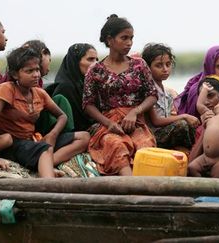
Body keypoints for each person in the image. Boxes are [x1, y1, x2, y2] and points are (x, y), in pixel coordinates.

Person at [0, 47, 90, 178]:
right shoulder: (7, 89)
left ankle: (46, 164)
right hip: (12, 145)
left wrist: (53, 134)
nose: (36, 75)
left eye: (37, 70)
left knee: (84, 137)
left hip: (30, 142)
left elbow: (62, 116)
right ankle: (49, 187)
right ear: (15, 74)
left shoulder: (39, 93)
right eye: (29, 71)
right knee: (44, 149)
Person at [82, 14, 157, 176]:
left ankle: (147, 190)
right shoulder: (95, 70)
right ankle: (132, 191)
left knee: (145, 146)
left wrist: (135, 111)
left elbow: (152, 94)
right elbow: (88, 104)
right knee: (117, 146)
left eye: (131, 38)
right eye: (124, 38)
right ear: (110, 40)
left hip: (136, 122)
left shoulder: (139, 65)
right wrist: (108, 123)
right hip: (108, 124)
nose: (129, 43)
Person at [141, 43, 199, 150]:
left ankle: (192, 151)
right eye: (159, 65)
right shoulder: (149, 90)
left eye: (168, 64)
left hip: (165, 130)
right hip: (153, 135)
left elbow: (167, 117)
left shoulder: (165, 91)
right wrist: (184, 116)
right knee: (182, 124)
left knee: (192, 126)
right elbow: (156, 121)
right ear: (147, 68)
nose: (165, 69)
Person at [46, 43, 99, 131]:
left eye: (97, 60)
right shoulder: (65, 88)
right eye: (90, 59)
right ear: (75, 62)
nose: (96, 64)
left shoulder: (91, 85)